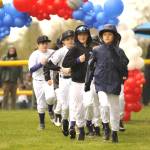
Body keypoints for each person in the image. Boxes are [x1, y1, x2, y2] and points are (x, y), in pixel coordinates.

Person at [85, 24, 129, 143]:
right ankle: (105, 128)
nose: (107, 36)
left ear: (114, 37)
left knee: (114, 109)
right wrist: (87, 82)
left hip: (114, 82)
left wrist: (123, 75)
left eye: (110, 34)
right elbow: (90, 67)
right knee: (104, 105)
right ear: (101, 36)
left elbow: (124, 66)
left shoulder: (119, 51)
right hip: (100, 82)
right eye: (105, 34)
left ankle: (114, 132)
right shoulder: (97, 50)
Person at [62, 25, 92, 141]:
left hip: (89, 83)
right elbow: (65, 63)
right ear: (77, 36)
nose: (82, 37)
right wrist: (78, 60)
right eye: (80, 35)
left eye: (84, 34)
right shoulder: (74, 49)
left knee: (89, 104)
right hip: (76, 83)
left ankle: (88, 124)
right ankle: (81, 129)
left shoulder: (91, 50)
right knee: (78, 107)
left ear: (88, 35)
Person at [44, 30, 75, 136]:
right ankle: (65, 121)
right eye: (67, 39)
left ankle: (72, 126)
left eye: (72, 38)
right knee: (65, 106)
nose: (70, 41)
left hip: (76, 80)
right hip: (64, 80)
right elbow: (48, 65)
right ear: (63, 42)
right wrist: (60, 69)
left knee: (74, 104)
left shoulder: (79, 50)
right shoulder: (61, 51)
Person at [28, 35, 56, 130]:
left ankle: (51, 110)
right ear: (38, 44)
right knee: (40, 103)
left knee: (51, 97)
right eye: (42, 43)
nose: (45, 45)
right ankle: (42, 123)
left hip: (49, 80)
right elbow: (31, 69)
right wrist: (40, 64)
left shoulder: (52, 52)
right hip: (38, 81)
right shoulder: (34, 55)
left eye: (46, 43)